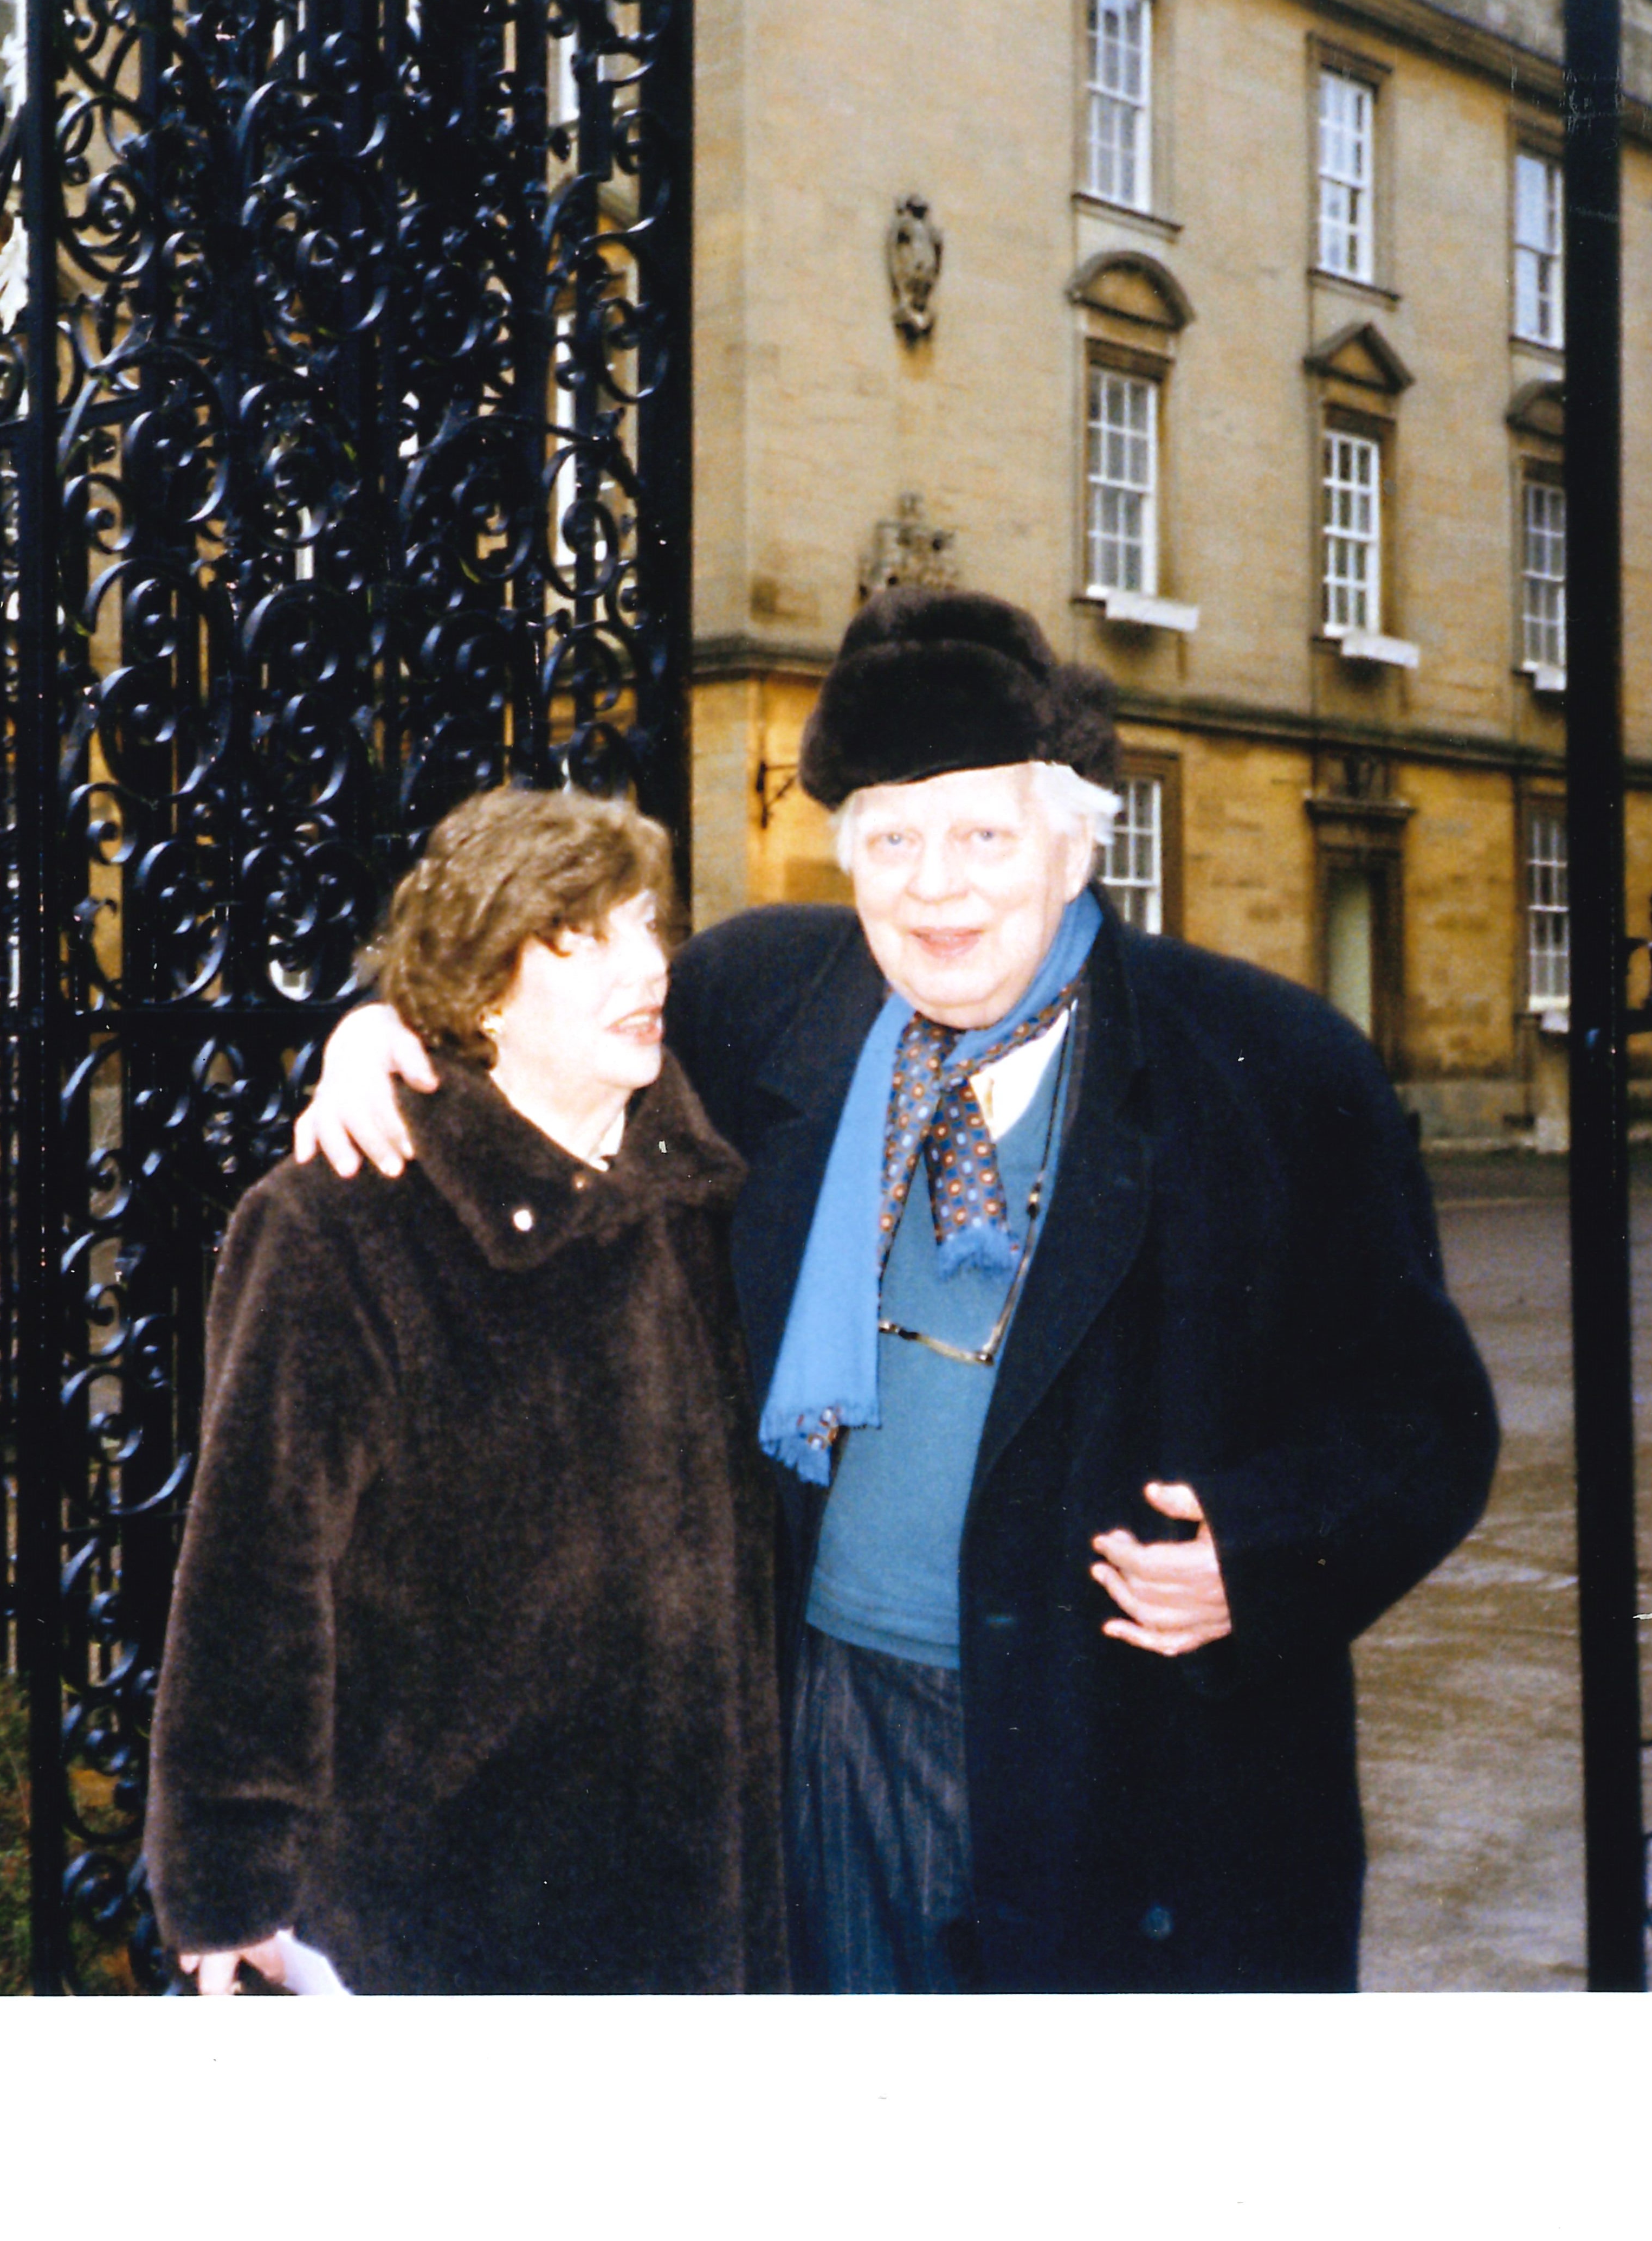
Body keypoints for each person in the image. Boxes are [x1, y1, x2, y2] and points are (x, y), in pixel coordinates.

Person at [295, 587, 1500, 1991]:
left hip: (1130, 1744)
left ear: (1070, 846)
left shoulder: (1271, 1065)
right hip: (821, 1716)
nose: (939, 886)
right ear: (849, 859)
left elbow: (1426, 1420)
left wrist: (1269, 1550)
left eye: (985, 836)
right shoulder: (762, 999)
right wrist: (384, 1031)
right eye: (894, 840)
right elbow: (542, 1031)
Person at [143, 785, 786, 1994]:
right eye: (580, 937)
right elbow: (253, 1568)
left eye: (645, 926)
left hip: (701, 1889)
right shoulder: (342, 1222)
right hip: (440, 1902)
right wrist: (229, 1879)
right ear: (484, 987)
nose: (644, 965)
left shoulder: (696, 1200)